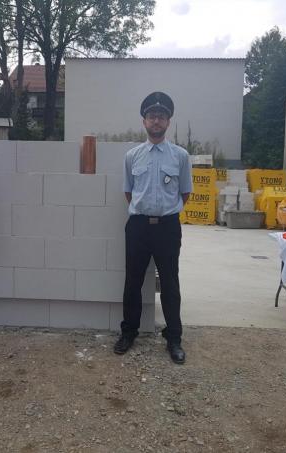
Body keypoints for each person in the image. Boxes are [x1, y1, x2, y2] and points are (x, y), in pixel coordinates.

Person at [114, 92, 192, 364]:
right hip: (138, 226)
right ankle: (128, 332)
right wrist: (146, 210)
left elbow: (185, 193)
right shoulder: (132, 156)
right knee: (132, 281)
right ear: (144, 121)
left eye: (161, 116)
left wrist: (164, 211)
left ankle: (174, 338)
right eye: (151, 116)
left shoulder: (181, 156)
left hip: (168, 227)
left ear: (168, 122)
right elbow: (129, 192)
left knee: (170, 282)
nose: (156, 121)